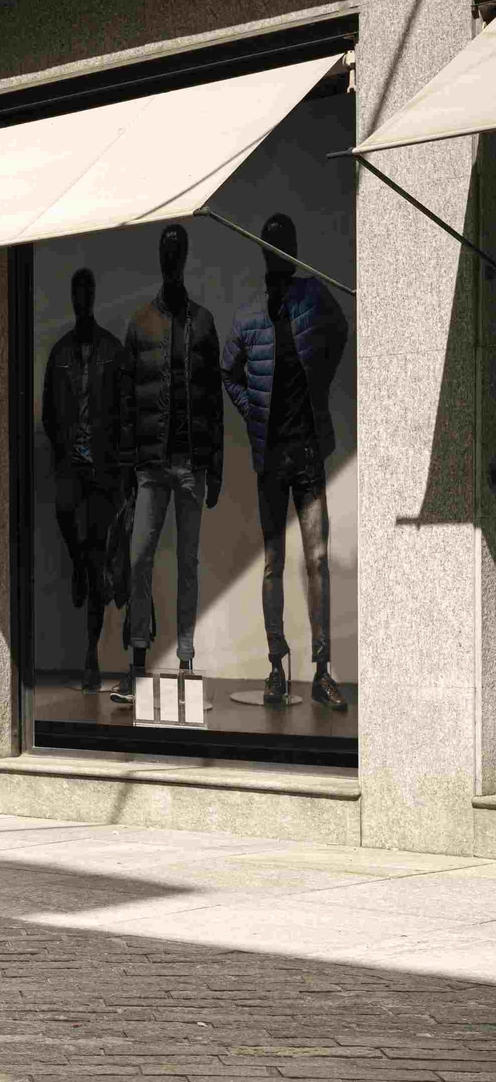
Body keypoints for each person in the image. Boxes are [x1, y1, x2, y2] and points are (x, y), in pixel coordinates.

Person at [222, 213, 349, 713]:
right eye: (272, 247)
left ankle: (321, 671)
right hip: (270, 459)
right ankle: (276, 667)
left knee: (316, 560)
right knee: (273, 563)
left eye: (284, 247)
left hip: (309, 453)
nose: (278, 254)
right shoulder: (251, 314)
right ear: (263, 253)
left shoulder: (313, 297)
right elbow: (228, 370)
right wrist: (251, 408)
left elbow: (339, 333)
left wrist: (317, 382)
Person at [111, 222, 223, 699]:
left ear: (185, 258)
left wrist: (214, 466)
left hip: (191, 464)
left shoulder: (204, 322)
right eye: (166, 251)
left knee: (189, 566)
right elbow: (126, 406)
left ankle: (185, 660)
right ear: (160, 260)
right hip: (152, 469)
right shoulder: (140, 325)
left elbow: (214, 401)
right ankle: (137, 661)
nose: (172, 258)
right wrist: (128, 470)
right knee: (139, 559)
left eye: (178, 251)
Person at [41, 268, 125, 691]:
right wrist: (63, 449)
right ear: (72, 298)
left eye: (88, 290)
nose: (83, 298)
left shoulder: (113, 350)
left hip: (104, 471)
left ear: (93, 296)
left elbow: (126, 413)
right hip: (72, 465)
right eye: (77, 291)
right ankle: (75, 562)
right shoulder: (60, 355)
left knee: (97, 561)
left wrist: (121, 471)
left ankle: (90, 655)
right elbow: (48, 414)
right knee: (65, 518)